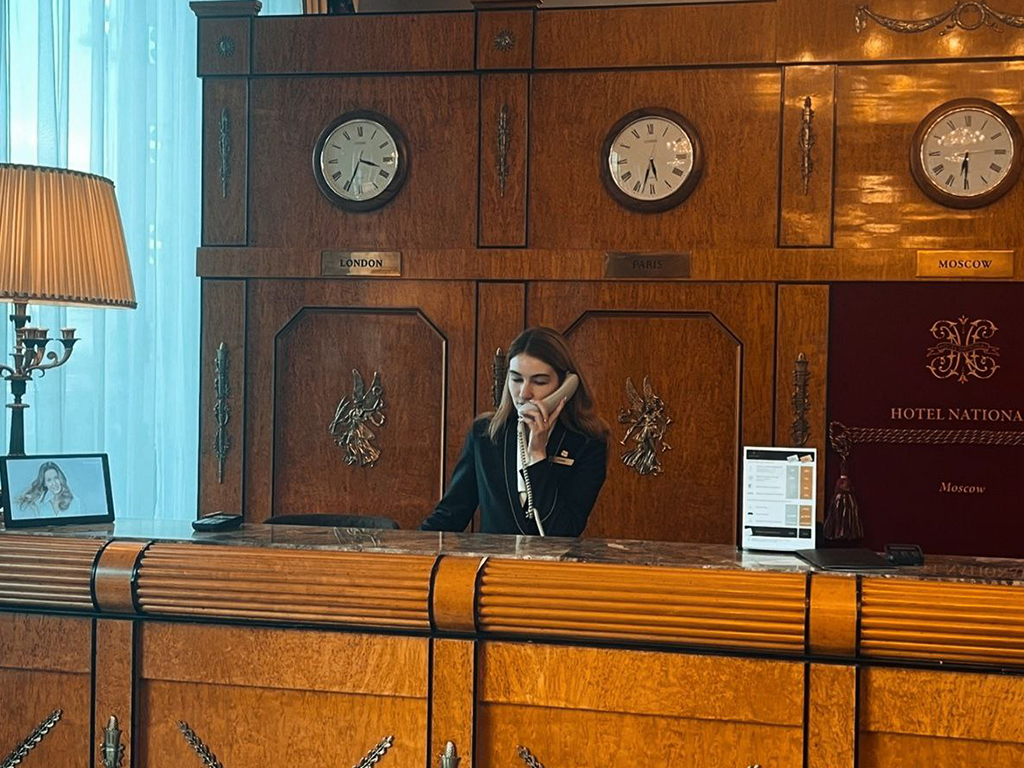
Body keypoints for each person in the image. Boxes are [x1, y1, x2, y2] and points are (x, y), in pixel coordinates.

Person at [420, 327, 610, 536]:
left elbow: (563, 531)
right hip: (492, 557)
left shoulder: (587, 443)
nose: (524, 393)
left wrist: (537, 454)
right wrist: (405, 547)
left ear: (567, 385)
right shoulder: (485, 434)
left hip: (552, 558)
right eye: (517, 379)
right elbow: (450, 515)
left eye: (539, 381)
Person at [14, 461, 83, 519]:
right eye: (49, 480)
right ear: (45, 484)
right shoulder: (42, 507)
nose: (54, 483)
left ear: (60, 478)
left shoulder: (75, 503)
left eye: (56, 478)